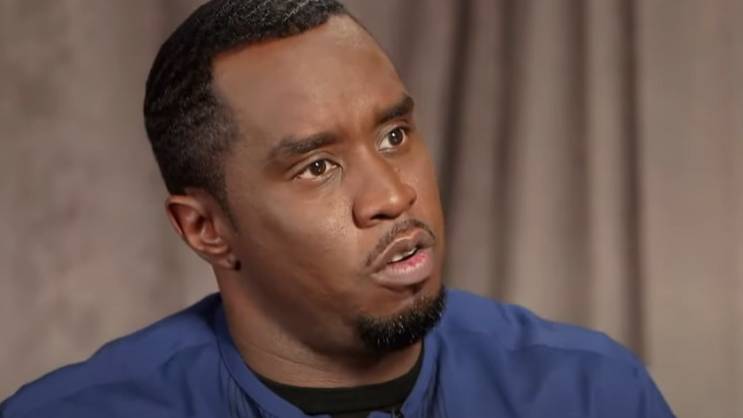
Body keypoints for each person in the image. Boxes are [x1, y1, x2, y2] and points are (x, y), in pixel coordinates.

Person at [1, 1, 675, 417]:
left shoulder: (591, 393)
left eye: (394, 136)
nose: (393, 195)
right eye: (317, 167)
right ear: (205, 229)